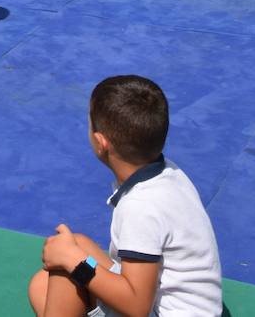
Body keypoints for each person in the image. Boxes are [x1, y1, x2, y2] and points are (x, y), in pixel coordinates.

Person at [28, 75, 222, 317]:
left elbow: (137, 306)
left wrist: (75, 262)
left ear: (101, 143)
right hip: (165, 302)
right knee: (54, 270)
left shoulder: (140, 206)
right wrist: (74, 256)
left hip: (148, 305)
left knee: (68, 265)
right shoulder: (168, 173)